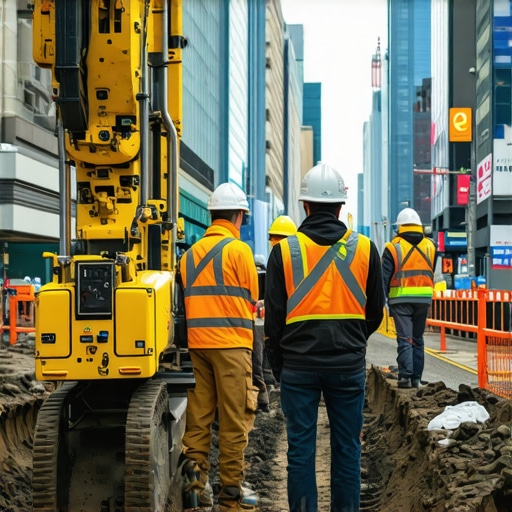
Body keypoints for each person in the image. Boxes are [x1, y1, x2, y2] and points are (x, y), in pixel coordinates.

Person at [264, 163, 385, 512]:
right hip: (347, 366)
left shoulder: (283, 252)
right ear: (340, 207)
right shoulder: (364, 249)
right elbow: (375, 311)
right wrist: (352, 340)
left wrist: (281, 367)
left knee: (300, 451)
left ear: (305, 205)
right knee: (348, 448)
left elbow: (273, 322)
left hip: (298, 368)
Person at [179, 182, 259, 511]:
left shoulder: (188, 256)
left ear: (212, 216)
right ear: (239, 216)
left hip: (197, 348)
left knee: (197, 423)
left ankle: (195, 493)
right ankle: (232, 498)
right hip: (232, 347)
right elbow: (252, 298)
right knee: (234, 422)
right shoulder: (240, 252)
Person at [382, 207, 437, 389]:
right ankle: (416, 379)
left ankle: (404, 377)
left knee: (405, 338)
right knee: (418, 339)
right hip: (423, 298)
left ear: (399, 227)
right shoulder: (431, 246)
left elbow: (384, 278)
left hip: (400, 299)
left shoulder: (392, 247)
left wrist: (382, 301)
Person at [253, 215, 298, 412]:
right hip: (284, 322)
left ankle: (270, 390)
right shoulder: (295, 260)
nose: (275, 243)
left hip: (276, 321)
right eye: (274, 238)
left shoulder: (278, 259)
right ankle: (271, 388)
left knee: (262, 356)